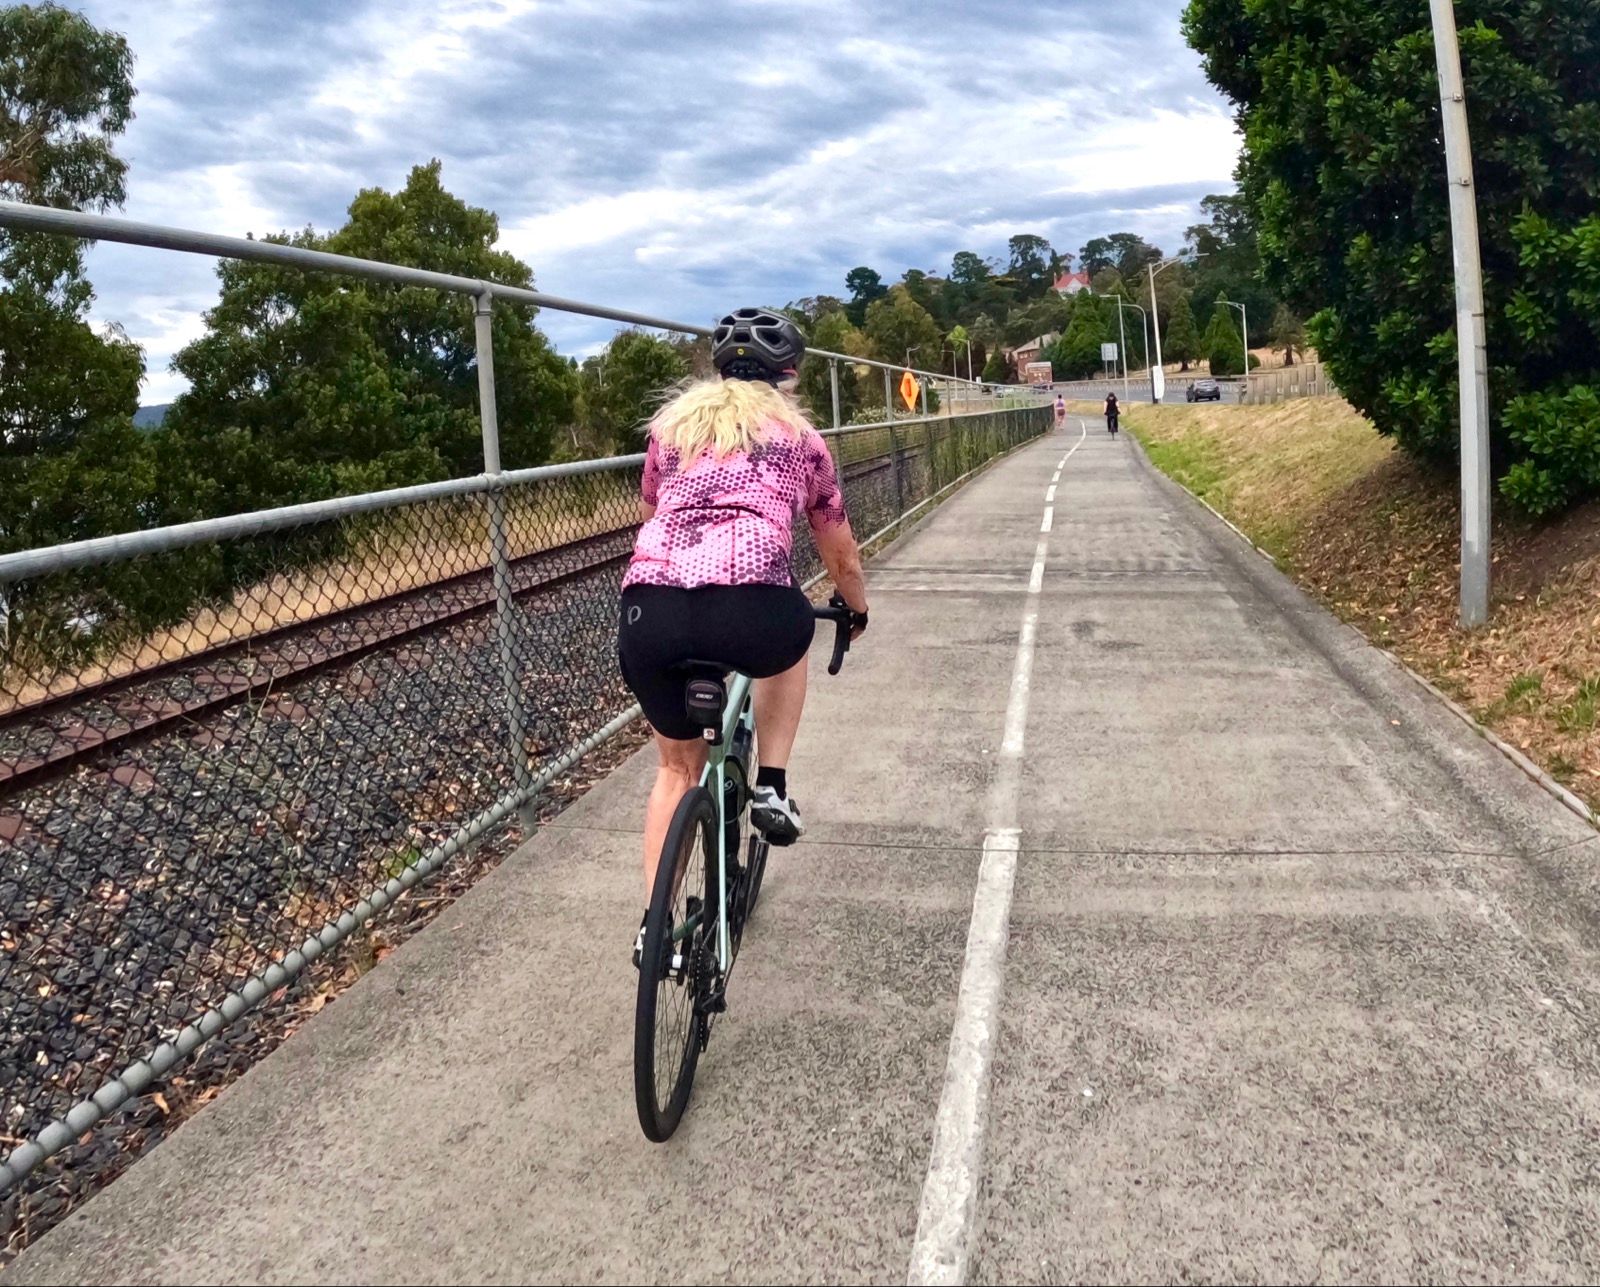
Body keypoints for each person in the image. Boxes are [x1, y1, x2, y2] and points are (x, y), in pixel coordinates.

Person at [617, 307, 870, 961]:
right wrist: (855, 608)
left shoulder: (671, 431)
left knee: (675, 770)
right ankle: (772, 784)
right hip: (750, 606)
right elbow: (840, 555)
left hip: (651, 610)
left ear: (717, 370)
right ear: (788, 376)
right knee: (792, 635)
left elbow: (652, 513)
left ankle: (655, 930)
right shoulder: (802, 440)